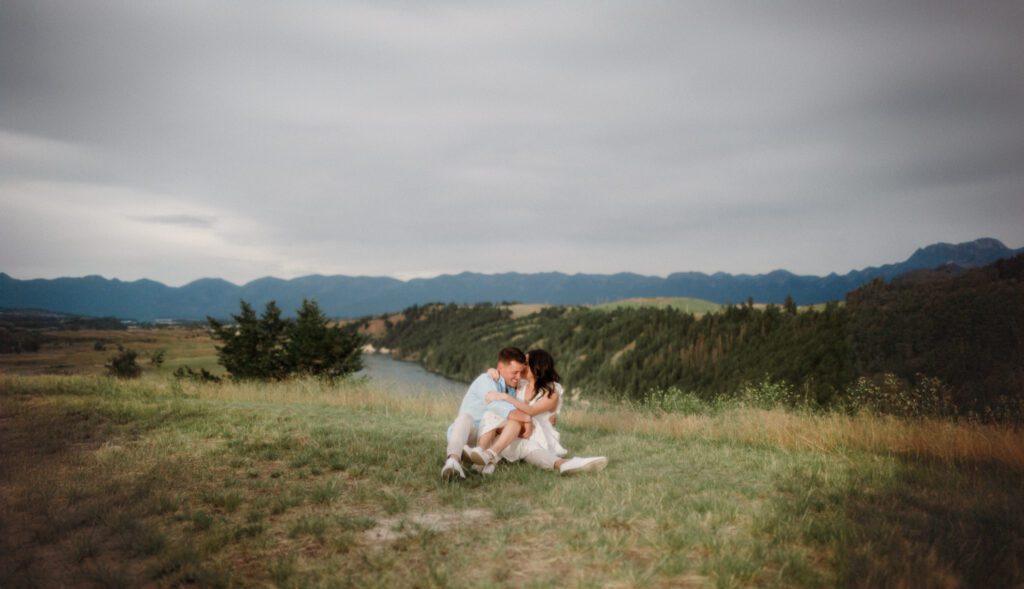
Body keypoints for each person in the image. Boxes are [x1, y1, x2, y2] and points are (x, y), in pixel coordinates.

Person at [466, 349, 608, 476]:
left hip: (536, 433)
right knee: (493, 417)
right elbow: (504, 374)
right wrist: (492, 371)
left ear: (536, 367)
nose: (522, 365)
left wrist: (506, 397)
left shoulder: (551, 391)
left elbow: (532, 411)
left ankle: (485, 459)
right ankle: (486, 458)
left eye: (526, 363)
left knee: (520, 441)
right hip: (518, 428)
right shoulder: (520, 384)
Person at [441, 347, 528, 480]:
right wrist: (528, 418)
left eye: (520, 372)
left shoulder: (512, 390)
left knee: (513, 423)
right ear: (500, 367)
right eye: (514, 372)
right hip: (468, 436)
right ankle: (453, 462)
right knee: (465, 418)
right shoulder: (486, 380)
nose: (518, 377)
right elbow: (495, 405)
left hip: (488, 439)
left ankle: (486, 459)